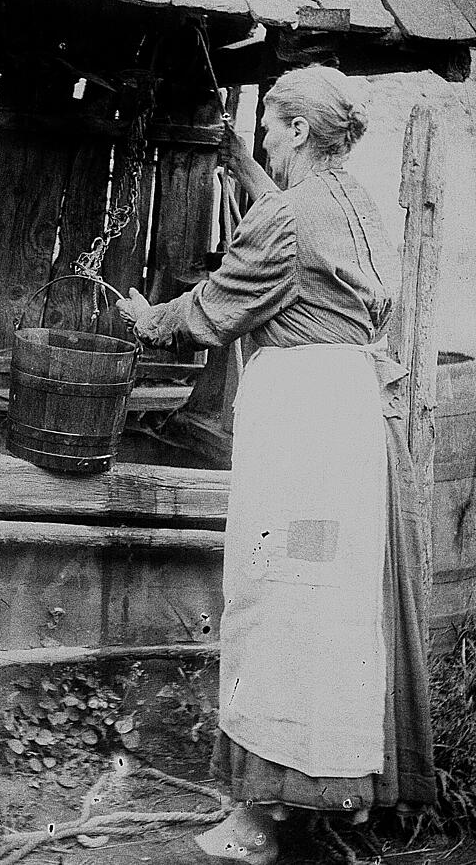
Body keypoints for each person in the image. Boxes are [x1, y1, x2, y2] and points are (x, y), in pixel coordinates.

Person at [116, 66, 435, 864]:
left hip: (303, 438)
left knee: (279, 608)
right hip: (352, 430)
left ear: (297, 129)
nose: (261, 132)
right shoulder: (354, 204)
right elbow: (296, 227)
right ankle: (339, 789)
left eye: (269, 125)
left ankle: (260, 821)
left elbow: (215, 306)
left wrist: (147, 318)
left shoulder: (286, 222)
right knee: (334, 611)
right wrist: (242, 164)